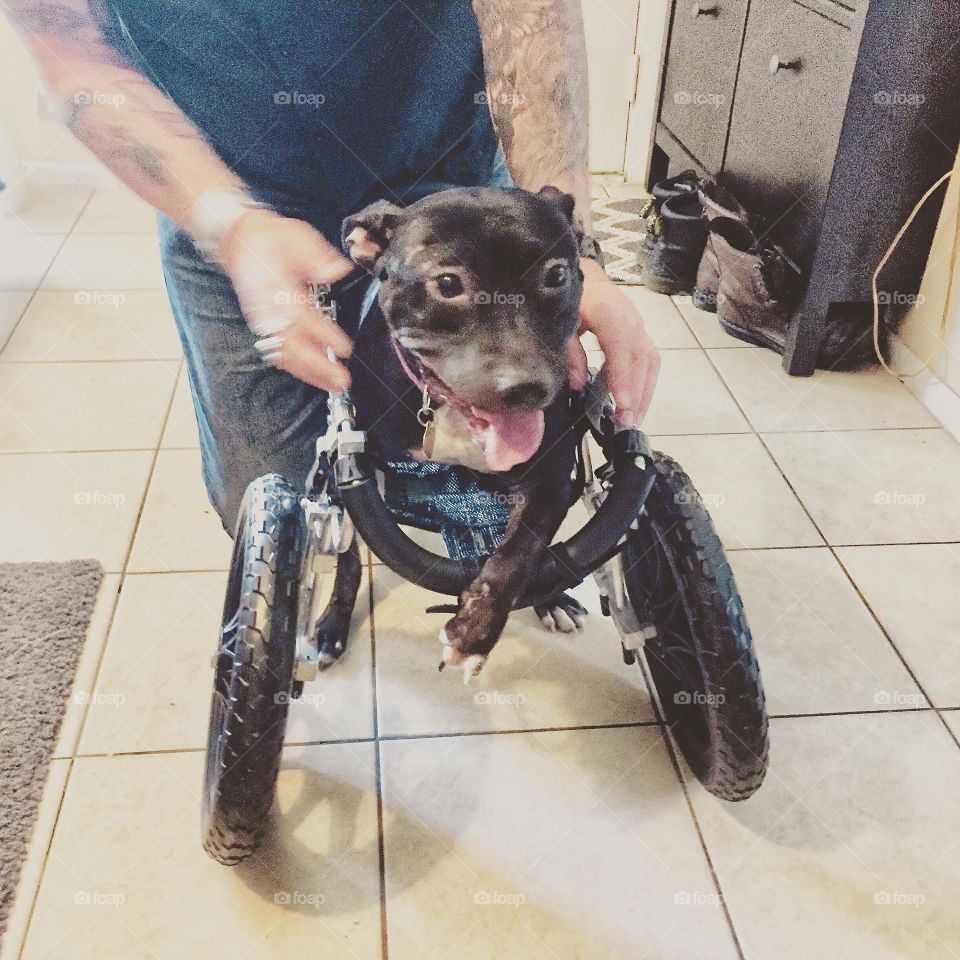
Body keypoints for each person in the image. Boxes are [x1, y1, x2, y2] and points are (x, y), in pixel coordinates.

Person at [6, 0, 660, 532]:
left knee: (509, 467)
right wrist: (232, 227)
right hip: (228, 192)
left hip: (448, 183)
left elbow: (529, 12)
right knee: (273, 504)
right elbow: (73, 54)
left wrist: (577, 256)